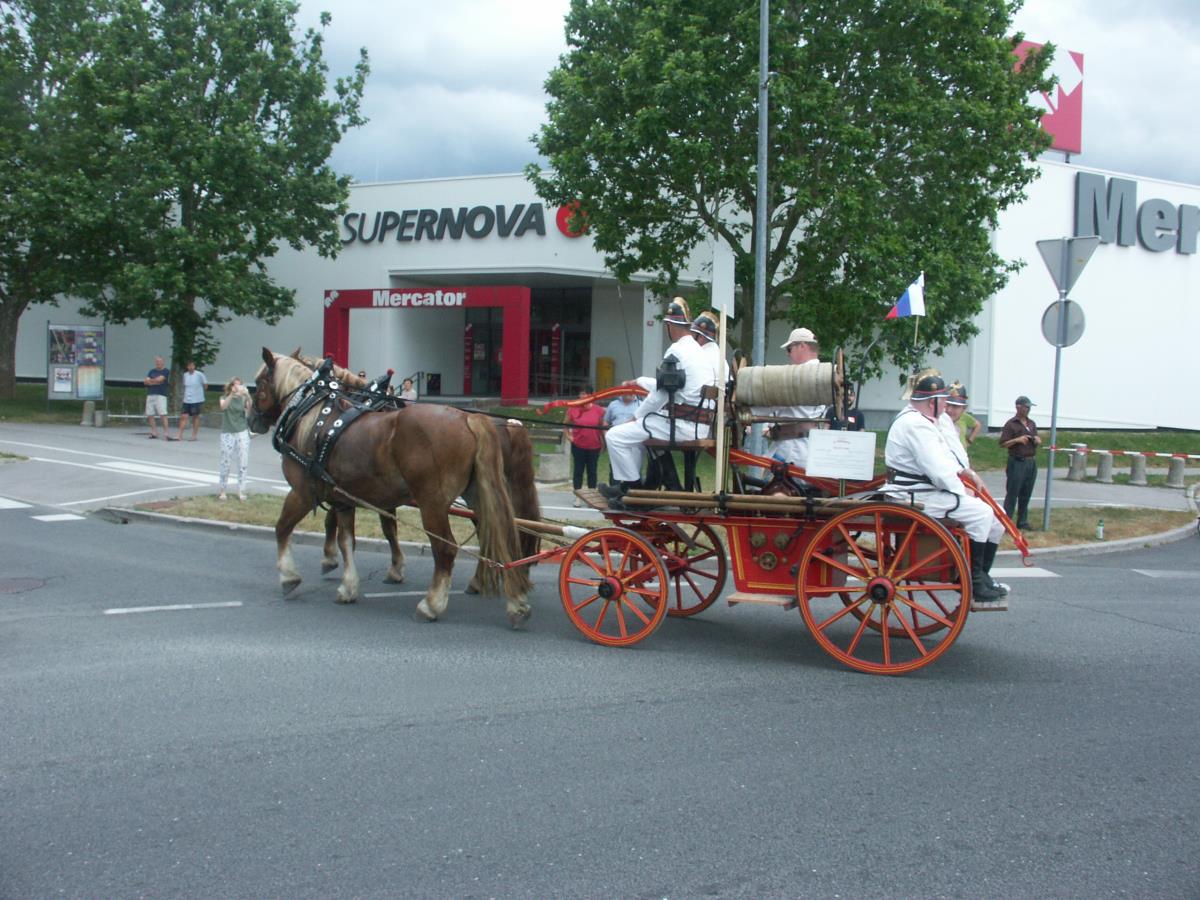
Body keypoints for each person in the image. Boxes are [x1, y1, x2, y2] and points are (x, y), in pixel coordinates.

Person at [882, 371, 1007, 603]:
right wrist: (963, 490)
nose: (947, 407)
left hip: (921, 490)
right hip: (913, 494)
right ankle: (973, 582)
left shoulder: (921, 421)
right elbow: (939, 472)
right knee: (982, 513)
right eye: (944, 401)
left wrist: (966, 473)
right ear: (933, 402)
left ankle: (981, 575)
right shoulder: (916, 425)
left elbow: (945, 460)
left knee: (998, 517)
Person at [600, 297, 719, 504]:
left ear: (669, 326)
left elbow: (661, 394)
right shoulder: (696, 352)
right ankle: (640, 486)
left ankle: (632, 490)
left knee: (615, 435)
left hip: (681, 426)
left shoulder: (676, 351)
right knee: (637, 436)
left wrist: (636, 416)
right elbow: (670, 386)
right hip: (697, 424)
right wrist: (639, 381)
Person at [761, 327, 826, 469]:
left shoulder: (797, 376)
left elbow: (771, 402)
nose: (788, 354)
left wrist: (747, 411)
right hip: (810, 449)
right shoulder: (823, 374)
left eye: (789, 349)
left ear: (802, 346)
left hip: (790, 451)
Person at [1000, 395, 1040, 530]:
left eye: (1029, 407)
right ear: (1018, 407)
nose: (1028, 410)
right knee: (1012, 493)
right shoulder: (1011, 424)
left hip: (1030, 461)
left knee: (1026, 493)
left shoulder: (1031, 423)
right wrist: (1017, 440)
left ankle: (1023, 521)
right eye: (1026, 407)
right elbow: (1003, 443)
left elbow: (1035, 436)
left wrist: (1037, 440)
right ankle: (1007, 522)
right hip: (1017, 461)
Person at [566, 384, 605, 506]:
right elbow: (565, 425)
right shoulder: (573, 408)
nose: (585, 396)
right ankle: (578, 496)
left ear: (592, 395)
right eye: (582, 393)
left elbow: (601, 428)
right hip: (578, 445)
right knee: (578, 470)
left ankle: (592, 496)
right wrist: (570, 437)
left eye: (587, 393)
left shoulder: (599, 410)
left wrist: (603, 443)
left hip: (594, 446)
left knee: (592, 471)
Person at [217, 376, 252, 501]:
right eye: (235, 384)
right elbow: (223, 407)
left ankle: (241, 491)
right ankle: (222, 491)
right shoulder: (224, 397)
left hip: (242, 431)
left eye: (239, 384)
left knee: (243, 462)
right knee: (225, 462)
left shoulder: (243, 399)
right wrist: (231, 395)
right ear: (231, 386)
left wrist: (247, 395)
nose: (237, 387)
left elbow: (249, 411)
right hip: (227, 432)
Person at [176, 360, 208, 441]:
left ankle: (194, 435)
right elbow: (185, 385)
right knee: (184, 416)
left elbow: (205, 385)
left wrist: (200, 393)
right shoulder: (185, 375)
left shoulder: (199, 374)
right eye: (189, 366)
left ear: (194, 366)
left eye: (192, 365)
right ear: (187, 367)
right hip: (187, 399)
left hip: (197, 399)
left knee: (195, 416)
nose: (191, 367)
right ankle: (179, 435)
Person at [143, 355, 170, 439]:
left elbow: (160, 380)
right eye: (157, 361)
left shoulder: (165, 371)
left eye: (159, 361)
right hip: (150, 394)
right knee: (149, 414)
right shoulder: (151, 371)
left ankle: (166, 433)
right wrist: (154, 381)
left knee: (162, 414)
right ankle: (154, 432)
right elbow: (145, 382)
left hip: (160, 395)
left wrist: (151, 381)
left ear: (163, 362)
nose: (158, 363)